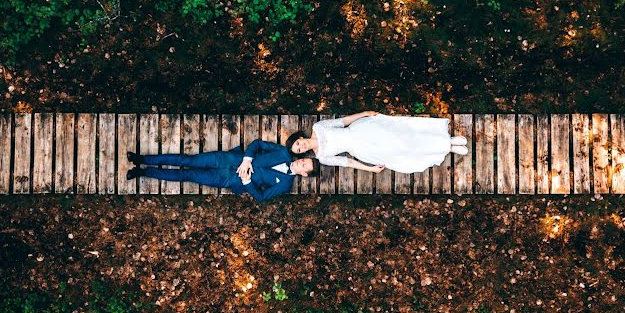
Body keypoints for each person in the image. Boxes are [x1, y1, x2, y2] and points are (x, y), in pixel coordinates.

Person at [125, 139, 319, 201]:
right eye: (303, 160)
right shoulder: (283, 152)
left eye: (304, 167)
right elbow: (257, 144)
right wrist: (247, 159)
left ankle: (143, 172)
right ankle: (141, 159)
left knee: (188, 174)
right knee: (187, 159)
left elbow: (261, 197)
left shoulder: (284, 185)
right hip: (228, 159)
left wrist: (246, 182)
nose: (300, 163)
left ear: (303, 174)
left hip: (229, 179)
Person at [286, 111, 468, 174]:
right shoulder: (322, 156)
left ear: (300, 138)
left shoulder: (319, 127)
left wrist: (364, 114)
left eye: (298, 144)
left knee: (403, 134)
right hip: (361, 149)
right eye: (300, 150)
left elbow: (343, 122)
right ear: (303, 154)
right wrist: (370, 168)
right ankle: (449, 148)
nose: (302, 147)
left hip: (362, 130)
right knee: (402, 149)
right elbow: (347, 162)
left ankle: (448, 140)